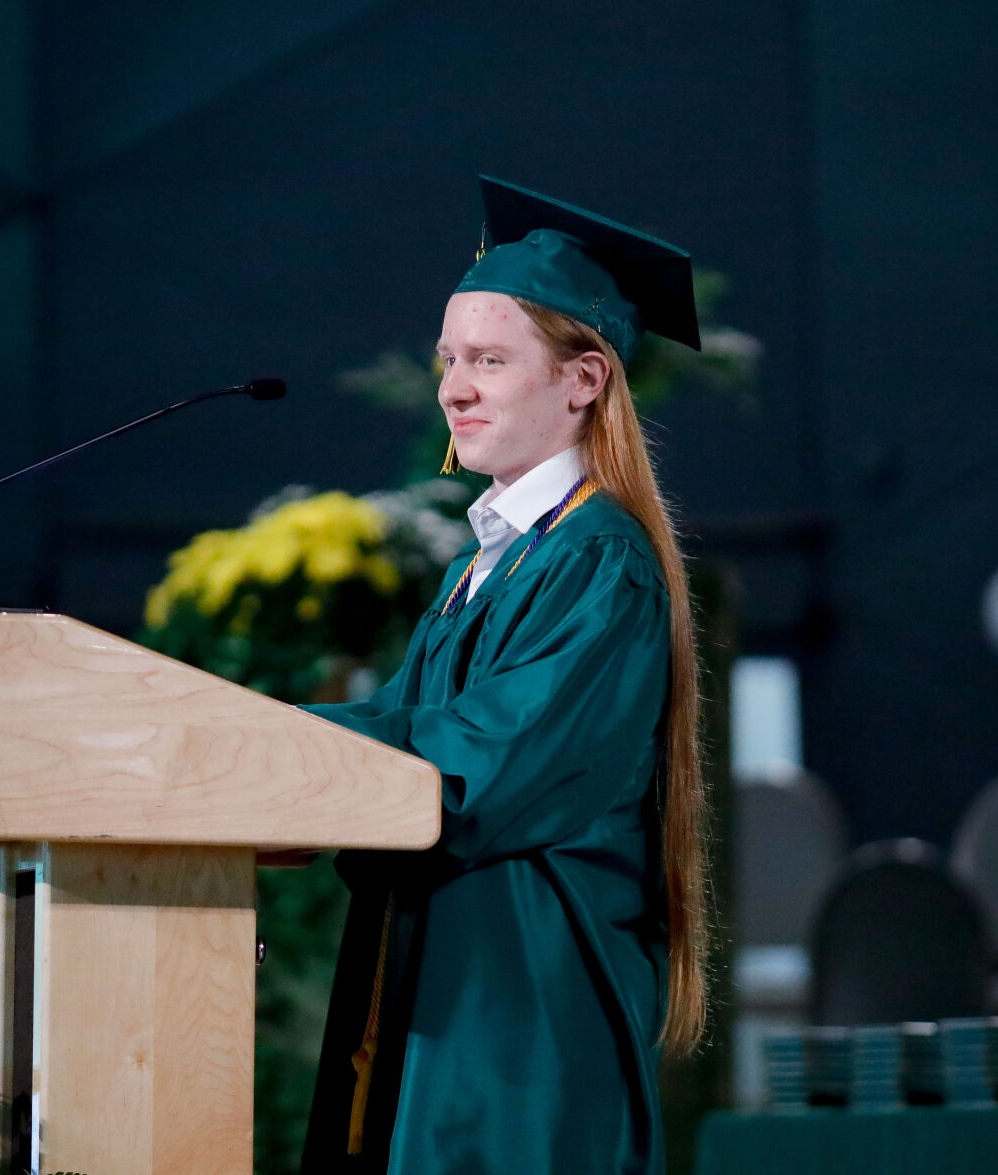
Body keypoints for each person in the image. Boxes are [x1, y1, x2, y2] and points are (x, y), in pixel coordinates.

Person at [299, 176, 711, 1175]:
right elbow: (398, 721)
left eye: (488, 359)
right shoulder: (485, 565)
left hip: (524, 998)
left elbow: (480, 765)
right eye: (448, 359)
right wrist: (261, 737)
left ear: (583, 379)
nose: (453, 388)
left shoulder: (596, 558)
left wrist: (282, 744)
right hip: (455, 983)